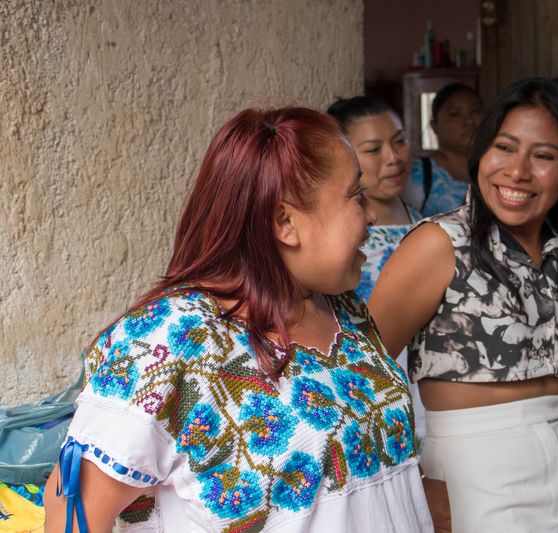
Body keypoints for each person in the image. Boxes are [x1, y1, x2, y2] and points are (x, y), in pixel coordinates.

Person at [43, 107, 433, 532]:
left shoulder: (347, 312)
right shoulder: (169, 339)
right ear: (285, 221)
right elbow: (72, 511)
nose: (371, 214)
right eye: (355, 195)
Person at [370, 77, 558, 532]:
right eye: (504, 147)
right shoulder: (439, 244)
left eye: (543, 156)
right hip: (470, 480)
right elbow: (361, 380)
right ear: (481, 151)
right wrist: (414, 480)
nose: (517, 171)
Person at [326, 95, 427, 448]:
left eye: (399, 141)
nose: (394, 158)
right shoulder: (337, 249)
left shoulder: (431, 230)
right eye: (373, 149)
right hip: (366, 393)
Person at [404, 83, 484, 217]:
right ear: (434, 126)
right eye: (455, 114)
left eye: (475, 110)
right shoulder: (417, 174)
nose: (469, 121)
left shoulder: (498, 169)